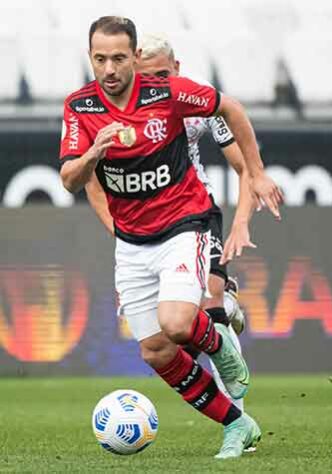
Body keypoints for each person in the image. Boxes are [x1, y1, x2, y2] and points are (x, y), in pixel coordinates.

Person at [59, 16, 283, 459]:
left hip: (186, 223)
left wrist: (255, 174)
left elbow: (230, 108)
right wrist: (93, 153)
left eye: (119, 58)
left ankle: (219, 346)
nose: (110, 69)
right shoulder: (79, 108)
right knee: (156, 352)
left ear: (135, 56)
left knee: (178, 323)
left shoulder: (167, 93)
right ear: (90, 58)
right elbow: (69, 179)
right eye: (100, 59)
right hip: (133, 243)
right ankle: (238, 425)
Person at [84, 33, 253, 417]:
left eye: (163, 74)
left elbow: (242, 165)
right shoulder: (115, 106)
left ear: (176, 68)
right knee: (168, 341)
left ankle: (240, 418)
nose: (157, 85)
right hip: (145, 227)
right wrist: (117, 227)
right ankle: (222, 306)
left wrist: (242, 220)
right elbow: (90, 179)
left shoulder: (193, 97)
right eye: (149, 77)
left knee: (212, 312)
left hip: (196, 211)